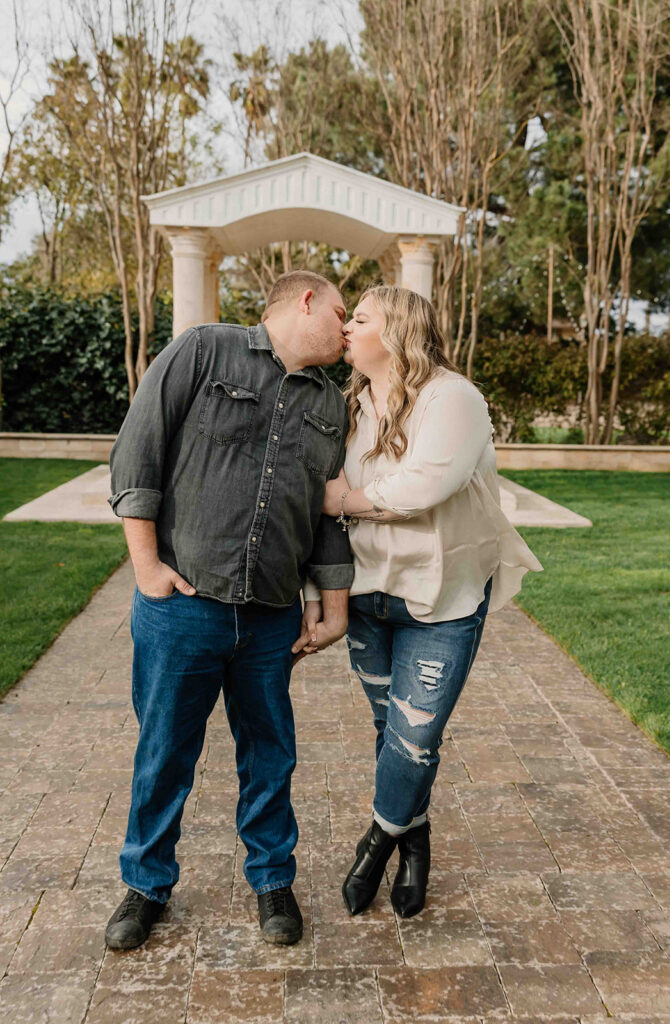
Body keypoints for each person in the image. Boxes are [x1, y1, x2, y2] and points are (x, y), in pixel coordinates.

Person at [104, 270, 353, 950]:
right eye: (340, 312)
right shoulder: (204, 350)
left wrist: (332, 608)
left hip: (272, 617)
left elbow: (329, 517)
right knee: (164, 753)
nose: (348, 327)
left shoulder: (333, 405)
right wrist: (147, 565)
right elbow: (138, 451)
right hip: (184, 605)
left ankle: (272, 880)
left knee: (270, 755)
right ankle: (145, 886)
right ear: (305, 301)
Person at [319, 285, 542, 918]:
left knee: (415, 738)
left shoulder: (454, 397)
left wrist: (344, 500)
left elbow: (425, 485)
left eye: (358, 319)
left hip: (440, 602)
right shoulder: (352, 402)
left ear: (395, 332)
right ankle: (416, 843)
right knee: (391, 734)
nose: (346, 330)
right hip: (367, 598)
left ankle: (377, 843)